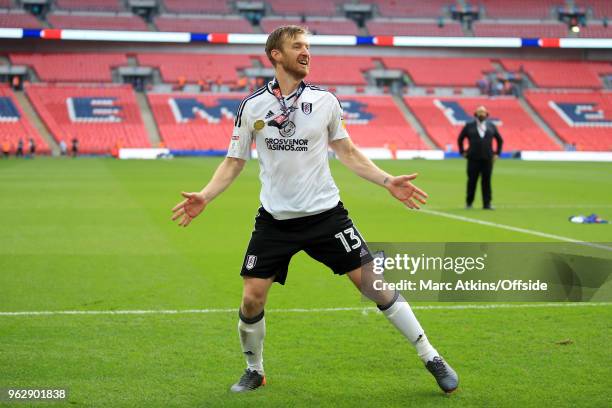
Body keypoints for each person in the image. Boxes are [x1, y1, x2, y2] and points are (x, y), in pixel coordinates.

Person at [171, 26, 458, 394]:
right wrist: (205, 196)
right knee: (251, 297)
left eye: (308, 46)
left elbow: (348, 152)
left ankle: (430, 355)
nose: (306, 52)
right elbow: (233, 162)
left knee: (374, 285)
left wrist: (388, 181)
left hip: (326, 216)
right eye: (297, 46)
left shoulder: (326, 102)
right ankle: (254, 370)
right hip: (275, 221)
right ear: (276, 54)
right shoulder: (252, 106)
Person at [457, 105, 503, 210]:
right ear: (475, 114)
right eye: (479, 112)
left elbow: (500, 140)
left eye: (483, 112)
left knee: (486, 182)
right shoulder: (469, 126)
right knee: (472, 181)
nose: (481, 114)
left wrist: (497, 153)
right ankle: (469, 203)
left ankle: (487, 204)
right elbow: (460, 139)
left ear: (487, 114)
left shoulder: (491, 126)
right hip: (473, 159)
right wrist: (462, 152)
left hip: (487, 159)